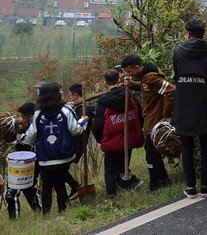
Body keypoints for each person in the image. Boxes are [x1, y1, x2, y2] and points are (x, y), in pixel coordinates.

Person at [172, 19, 207, 198]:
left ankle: (191, 187)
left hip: (183, 102)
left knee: (186, 145)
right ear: (204, 33)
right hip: (203, 102)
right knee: (205, 144)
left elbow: (176, 76)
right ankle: (206, 186)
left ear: (188, 33)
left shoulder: (178, 52)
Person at [23, 82, 87, 214]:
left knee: (47, 184)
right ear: (56, 94)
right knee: (60, 183)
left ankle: (46, 213)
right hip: (64, 155)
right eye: (60, 91)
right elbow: (76, 130)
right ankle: (62, 211)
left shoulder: (37, 114)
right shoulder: (66, 110)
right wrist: (83, 121)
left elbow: (29, 137)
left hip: (45, 158)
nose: (62, 93)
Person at [121, 54, 175, 191]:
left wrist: (166, 115)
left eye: (129, 71)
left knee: (150, 154)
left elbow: (171, 90)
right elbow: (147, 89)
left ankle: (155, 184)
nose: (127, 74)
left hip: (154, 121)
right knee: (153, 153)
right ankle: (163, 180)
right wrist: (132, 84)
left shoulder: (151, 78)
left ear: (137, 67)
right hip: (150, 119)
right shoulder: (145, 79)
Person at [93, 69, 144, 201]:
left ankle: (111, 195)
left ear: (105, 82)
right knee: (123, 164)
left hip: (112, 142)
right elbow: (140, 113)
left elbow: (97, 125)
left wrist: (100, 140)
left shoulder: (103, 101)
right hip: (129, 138)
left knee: (109, 168)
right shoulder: (129, 95)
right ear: (118, 79)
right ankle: (126, 185)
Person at [5, 102, 42, 219]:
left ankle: (15, 220)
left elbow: (23, 141)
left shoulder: (33, 128)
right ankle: (39, 213)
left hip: (26, 165)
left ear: (30, 116)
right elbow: (19, 139)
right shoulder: (29, 126)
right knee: (28, 188)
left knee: (11, 193)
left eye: (24, 117)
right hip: (26, 164)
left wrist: (17, 135)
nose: (22, 119)